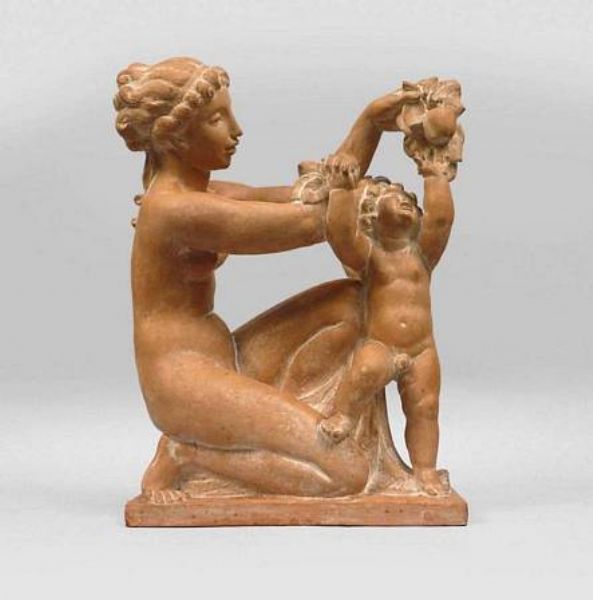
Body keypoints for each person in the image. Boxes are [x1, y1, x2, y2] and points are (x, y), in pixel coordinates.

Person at [114, 57, 420, 500]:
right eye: (217, 119)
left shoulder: (204, 190)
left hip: (221, 356)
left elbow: (305, 196)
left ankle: (297, 417)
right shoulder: (176, 209)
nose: (235, 130)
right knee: (350, 475)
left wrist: (371, 123)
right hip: (184, 384)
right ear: (175, 137)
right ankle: (188, 455)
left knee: (352, 301)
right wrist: (360, 185)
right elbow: (310, 223)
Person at [318, 151, 456, 496]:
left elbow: (441, 221)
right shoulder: (371, 256)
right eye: (396, 197)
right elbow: (340, 236)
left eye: (412, 200)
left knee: (425, 408)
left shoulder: (422, 255)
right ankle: (343, 415)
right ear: (371, 218)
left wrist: (434, 176)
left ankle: (425, 471)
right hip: (381, 344)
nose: (408, 200)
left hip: (422, 349)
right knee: (364, 371)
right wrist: (341, 191)